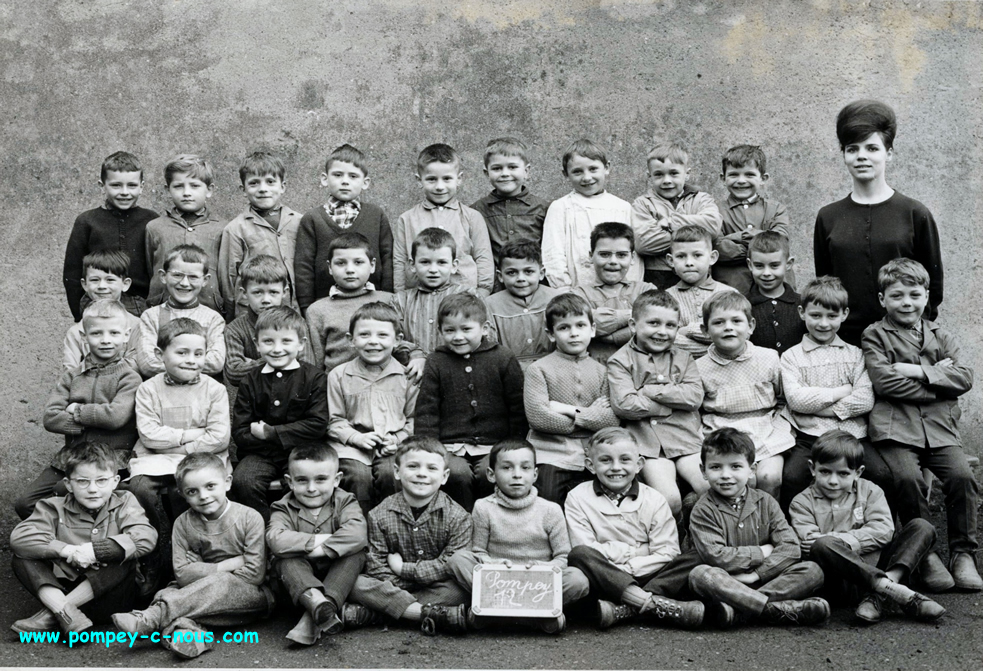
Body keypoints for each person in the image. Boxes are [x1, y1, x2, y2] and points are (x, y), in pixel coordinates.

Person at [862, 258, 980, 592]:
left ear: (926, 296)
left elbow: (966, 377)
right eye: (897, 296)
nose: (906, 303)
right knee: (906, 478)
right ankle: (926, 553)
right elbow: (886, 384)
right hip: (896, 429)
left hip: (940, 429)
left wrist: (916, 371)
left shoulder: (941, 335)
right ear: (883, 299)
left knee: (962, 477)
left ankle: (963, 554)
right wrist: (941, 385)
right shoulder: (875, 334)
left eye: (914, 295)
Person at [113, 453, 273, 659]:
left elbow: (253, 575)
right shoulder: (182, 523)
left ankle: (152, 618)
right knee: (169, 590)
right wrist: (230, 563)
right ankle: (190, 639)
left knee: (210, 586)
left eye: (210, 486)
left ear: (227, 483)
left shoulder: (250, 518)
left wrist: (201, 568)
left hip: (251, 596)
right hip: (200, 596)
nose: (203, 496)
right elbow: (181, 575)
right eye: (192, 491)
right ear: (182, 494)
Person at [814, 99, 943, 346]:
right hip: (845, 344)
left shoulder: (915, 213)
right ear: (844, 155)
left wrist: (915, 338)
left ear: (889, 153)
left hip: (904, 344)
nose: (861, 156)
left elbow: (933, 288)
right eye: (852, 149)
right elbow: (826, 285)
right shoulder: (827, 217)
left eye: (872, 148)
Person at [789, 430, 944, 624]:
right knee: (823, 545)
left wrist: (842, 540)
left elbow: (884, 530)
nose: (833, 481)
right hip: (840, 579)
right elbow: (812, 543)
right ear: (813, 468)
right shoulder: (801, 502)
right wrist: (839, 540)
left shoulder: (870, 491)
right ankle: (892, 590)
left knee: (922, 526)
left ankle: (879, 593)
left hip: (877, 563)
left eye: (843, 473)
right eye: (825, 471)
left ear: (858, 472)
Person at [127, 318, 231, 591]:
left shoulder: (214, 389)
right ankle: (153, 555)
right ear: (161, 355)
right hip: (155, 460)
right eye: (182, 353)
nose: (191, 360)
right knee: (139, 488)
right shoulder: (148, 389)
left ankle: (188, 559)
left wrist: (178, 445)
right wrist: (190, 435)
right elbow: (149, 434)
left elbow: (219, 437)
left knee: (182, 491)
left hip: (199, 461)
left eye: (198, 354)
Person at [565, 428, 705, 630]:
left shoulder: (655, 499)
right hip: (601, 577)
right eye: (605, 460)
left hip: (645, 574)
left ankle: (624, 608)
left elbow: (667, 552)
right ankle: (654, 604)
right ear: (590, 465)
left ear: (639, 464)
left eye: (624, 460)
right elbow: (586, 547)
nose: (616, 468)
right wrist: (638, 550)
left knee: (696, 555)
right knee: (579, 555)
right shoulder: (578, 497)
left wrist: (624, 571)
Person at [688, 428, 829, 627]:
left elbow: (790, 547)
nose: (725, 475)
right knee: (701, 575)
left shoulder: (766, 502)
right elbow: (717, 556)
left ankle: (741, 612)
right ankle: (773, 610)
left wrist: (756, 575)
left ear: (752, 469)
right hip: (728, 582)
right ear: (704, 471)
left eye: (736, 466)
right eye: (716, 467)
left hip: (769, 579)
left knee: (813, 571)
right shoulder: (703, 510)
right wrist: (761, 552)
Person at [10, 443, 156, 634]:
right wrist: (66, 550)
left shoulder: (125, 501)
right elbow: (20, 536)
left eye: (102, 480)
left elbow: (145, 536)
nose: (93, 489)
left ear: (115, 481)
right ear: (68, 484)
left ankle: (55, 613)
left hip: (111, 599)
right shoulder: (53, 506)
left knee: (124, 555)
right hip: (65, 587)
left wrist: (95, 552)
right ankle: (66, 612)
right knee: (21, 557)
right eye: (82, 481)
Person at [16, 300, 142, 520]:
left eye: (113, 333)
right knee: (26, 503)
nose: (105, 340)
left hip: (110, 460)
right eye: (96, 334)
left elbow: (115, 417)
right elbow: (51, 418)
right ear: (84, 337)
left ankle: (85, 543)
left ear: (126, 335)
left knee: (68, 495)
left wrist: (77, 410)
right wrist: (94, 416)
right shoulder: (72, 376)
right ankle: (59, 546)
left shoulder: (129, 377)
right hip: (72, 457)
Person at [447, 439, 589, 633]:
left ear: (535, 474)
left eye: (525, 468)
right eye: (506, 468)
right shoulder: (483, 507)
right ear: (491, 475)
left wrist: (542, 567)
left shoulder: (550, 510)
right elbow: (478, 551)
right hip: (498, 579)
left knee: (578, 580)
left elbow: (563, 557)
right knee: (458, 560)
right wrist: (494, 565)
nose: (516, 475)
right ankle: (535, 619)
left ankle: (496, 616)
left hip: (538, 582)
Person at [346, 438, 473, 635]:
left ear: (445, 476)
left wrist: (404, 569)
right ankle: (427, 613)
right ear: (397, 471)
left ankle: (377, 614)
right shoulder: (378, 514)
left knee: (460, 590)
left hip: (435, 587)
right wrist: (402, 586)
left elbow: (449, 563)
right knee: (355, 583)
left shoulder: (458, 516)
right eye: (413, 466)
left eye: (432, 468)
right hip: (392, 585)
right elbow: (376, 566)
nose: (422, 474)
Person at [415, 293, 527, 510]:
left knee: (491, 473)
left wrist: (514, 445)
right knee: (456, 474)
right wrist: (430, 450)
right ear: (440, 331)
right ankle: (461, 525)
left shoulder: (503, 358)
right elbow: (427, 410)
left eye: (466, 329)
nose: (458, 337)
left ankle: (491, 523)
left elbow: (517, 407)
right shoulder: (436, 361)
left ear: (484, 328)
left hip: (495, 445)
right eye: (450, 330)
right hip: (450, 446)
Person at [779, 276, 876, 512]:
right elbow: (796, 400)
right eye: (816, 315)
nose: (823, 324)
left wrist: (820, 409)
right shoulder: (791, 356)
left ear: (844, 314)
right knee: (792, 477)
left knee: (881, 472)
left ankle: (879, 533)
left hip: (851, 433)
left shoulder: (855, 354)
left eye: (832, 316)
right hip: (809, 435)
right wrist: (841, 392)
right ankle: (792, 536)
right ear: (802, 313)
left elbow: (865, 399)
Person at [607, 290, 705, 517]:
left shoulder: (684, 357)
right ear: (633, 325)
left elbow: (693, 397)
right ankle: (675, 545)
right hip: (648, 445)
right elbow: (625, 404)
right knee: (669, 499)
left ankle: (705, 537)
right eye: (654, 323)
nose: (662, 332)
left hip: (686, 439)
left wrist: (650, 390)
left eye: (671, 325)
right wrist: (671, 404)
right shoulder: (620, 361)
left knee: (709, 486)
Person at [231, 307, 328, 523]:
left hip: (302, 451)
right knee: (244, 481)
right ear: (256, 344)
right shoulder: (250, 380)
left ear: (301, 344)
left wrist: (270, 433)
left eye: (286, 341)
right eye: (268, 342)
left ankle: (300, 528)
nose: (277, 349)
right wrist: (265, 442)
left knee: (302, 480)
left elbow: (317, 424)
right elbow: (240, 431)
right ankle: (264, 530)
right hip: (260, 454)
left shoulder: (314, 378)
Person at [695, 292, 794, 500]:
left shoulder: (768, 358)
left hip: (766, 428)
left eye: (736, 321)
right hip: (722, 432)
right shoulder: (699, 368)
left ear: (750, 326)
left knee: (769, 476)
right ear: (705, 330)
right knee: (741, 479)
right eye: (719, 322)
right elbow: (697, 409)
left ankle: (766, 523)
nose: (728, 327)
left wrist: (779, 424)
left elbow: (784, 398)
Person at [267, 444, 367, 645]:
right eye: (302, 481)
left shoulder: (345, 501)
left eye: (321, 479)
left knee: (356, 554)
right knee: (284, 560)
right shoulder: (282, 507)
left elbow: (357, 534)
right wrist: (325, 543)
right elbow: (276, 540)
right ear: (290, 482)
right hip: (298, 586)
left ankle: (313, 616)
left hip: (338, 575)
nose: (311, 488)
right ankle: (315, 602)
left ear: (336, 480)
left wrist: (306, 548)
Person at [524, 293, 619, 505]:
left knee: (599, 501)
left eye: (580, 325)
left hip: (591, 454)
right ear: (551, 334)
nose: (574, 333)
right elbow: (539, 418)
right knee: (547, 497)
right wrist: (590, 417)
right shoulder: (538, 370)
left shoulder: (603, 372)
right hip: (550, 453)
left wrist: (566, 409)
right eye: (564, 327)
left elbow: (610, 421)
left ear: (592, 329)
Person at [328, 302, 418, 515]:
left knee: (391, 473)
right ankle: (358, 531)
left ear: (397, 340)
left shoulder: (407, 377)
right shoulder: (338, 375)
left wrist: (396, 439)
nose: (373, 342)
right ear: (351, 340)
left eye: (382, 335)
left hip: (392, 446)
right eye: (365, 335)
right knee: (358, 477)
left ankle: (391, 529)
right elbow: (333, 420)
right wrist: (356, 438)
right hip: (352, 448)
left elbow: (414, 419)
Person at [294, 144, 393, 312]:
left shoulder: (376, 215)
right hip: (326, 305)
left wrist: (387, 297)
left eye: (353, 176)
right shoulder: (312, 219)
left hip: (372, 304)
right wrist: (306, 306)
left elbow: (388, 258)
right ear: (325, 179)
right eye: (338, 175)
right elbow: (304, 266)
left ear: (365, 182)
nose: (345, 181)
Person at [63, 151, 158, 321]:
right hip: (96, 302)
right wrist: (79, 313)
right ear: (102, 185)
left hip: (140, 305)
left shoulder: (151, 220)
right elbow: (73, 271)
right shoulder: (87, 221)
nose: (124, 192)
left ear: (142, 186)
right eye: (116, 185)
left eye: (132, 185)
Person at [392, 143, 494, 297]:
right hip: (419, 297)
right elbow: (400, 261)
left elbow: (483, 256)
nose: (440, 187)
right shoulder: (407, 219)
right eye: (431, 179)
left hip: (464, 297)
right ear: (419, 180)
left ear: (459, 179)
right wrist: (400, 295)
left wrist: (483, 291)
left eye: (447, 179)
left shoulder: (472, 217)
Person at [541, 138, 639, 290]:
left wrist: (630, 288)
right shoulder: (561, 207)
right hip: (575, 290)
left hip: (618, 292)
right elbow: (553, 254)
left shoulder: (622, 207)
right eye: (577, 171)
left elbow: (633, 255)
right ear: (566, 174)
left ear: (607, 168)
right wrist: (564, 290)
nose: (587, 177)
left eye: (593, 169)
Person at [219, 151, 303, 317]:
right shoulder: (236, 228)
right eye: (254, 183)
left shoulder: (300, 222)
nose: (263, 189)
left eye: (270, 182)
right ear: (243, 189)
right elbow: (228, 279)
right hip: (254, 314)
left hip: (294, 312)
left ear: (283, 186)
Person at [630, 142, 722, 289]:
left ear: (687, 174)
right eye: (659, 174)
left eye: (674, 173)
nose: (667, 180)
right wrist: (694, 234)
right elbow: (643, 243)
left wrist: (671, 223)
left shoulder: (701, 199)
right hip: (658, 275)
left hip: (697, 273)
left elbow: (713, 226)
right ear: (649, 176)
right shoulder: (642, 204)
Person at [145, 154, 227, 318]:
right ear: (168, 190)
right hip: (164, 310)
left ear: (209, 190)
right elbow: (150, 268)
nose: (187, 193)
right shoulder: (155, 227)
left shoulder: (223, 228)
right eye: (178, 186)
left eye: (195, 186)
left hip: (210, 310)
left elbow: (225, 273)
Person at [305, 232, 396, 374]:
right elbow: (316, 363)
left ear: (372, 265)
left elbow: (401, 345)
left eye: (358, 262)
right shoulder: (317, 310)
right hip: (337, 386)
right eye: (341, 263)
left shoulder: (390, 301)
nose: (350, 270)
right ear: (330, 267)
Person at [134, 244, 226, 379]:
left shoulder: (213, 318)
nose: (184, 283)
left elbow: (216, 362)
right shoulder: (151, 316)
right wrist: (191, 367)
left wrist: (173, 365)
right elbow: (147, 363)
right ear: (163, 276)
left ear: (205, 280)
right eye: (177, 275)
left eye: (193, 277)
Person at [223, 255, 315, 387]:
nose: (266, 299)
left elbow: (306, 367)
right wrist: (283, 358)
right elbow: (234, 373)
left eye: (273, 292)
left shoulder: (296, 323)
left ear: (284, 292)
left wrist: (254, 362)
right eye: (257, 292)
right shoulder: (235, 329)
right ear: (244, 293)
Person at [470, 137, 550, 290]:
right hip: (496, 288)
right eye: (497, 168)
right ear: (486, 173)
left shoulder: (543, 209)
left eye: (512, 167)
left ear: (526, 171)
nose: (505, 173)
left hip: (534, 286)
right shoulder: (476, 211)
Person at [572, 222, 657, 365]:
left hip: (642, 369)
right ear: (591, 256)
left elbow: (656, 325)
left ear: (632, 258)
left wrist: (611, 337)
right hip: (597, 370)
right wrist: (635, 316)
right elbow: (580, 327)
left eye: (621, 255)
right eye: (604, 254)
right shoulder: (579, 294)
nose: (613, 261)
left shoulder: (646, 290)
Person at [712, 145, 792, 294]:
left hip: (774, 286)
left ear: (763, 178)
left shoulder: (776, 209)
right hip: (732, 286)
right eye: (734, 175)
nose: (741, 181)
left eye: (749, 175)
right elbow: (717, 247)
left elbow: (779, 242)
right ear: (723, 178)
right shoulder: (714, 211)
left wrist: (734, 239)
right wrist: (757, 240)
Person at [390, 227, 471, 367]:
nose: (433, 270)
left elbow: (484, 335)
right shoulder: (400, 301)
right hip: (414, 373)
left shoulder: (468, 296)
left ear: (454, 265)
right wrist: (414, 354)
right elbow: (391, 338)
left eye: (442, 262)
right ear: (412, 265)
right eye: (425, 262)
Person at [665, 225, 738, 359]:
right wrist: (717, 349)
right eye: (681, 256)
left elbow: (738, 337)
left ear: (712, 257)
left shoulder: (729, 294)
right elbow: (668, 340)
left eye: (697, 255)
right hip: (679, 370)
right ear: (670, 260)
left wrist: (688, 330)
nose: (689, 263)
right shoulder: (666, 298)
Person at [484, 239, 559, 368]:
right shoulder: (490, 305)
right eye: (511, 273)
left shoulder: (556, 299)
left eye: (528, 272)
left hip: (554, 367)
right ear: (500, 276)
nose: (521, 279)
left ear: (541, 273)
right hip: (509, 368)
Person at [62, 252, 143, 370]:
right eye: (95, 280)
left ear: (125, 284)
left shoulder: (137, 326)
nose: (102, 286)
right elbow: (69, 372)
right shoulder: (76, 332)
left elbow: (139, 366)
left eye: (110, 280)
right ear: (84, 284)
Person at [745, 231, 805, 355]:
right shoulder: (743, 305)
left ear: (788, 264)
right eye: (759, 266)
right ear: (750, 265)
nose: (766, 273)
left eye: (774, 265)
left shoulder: (803, 303)